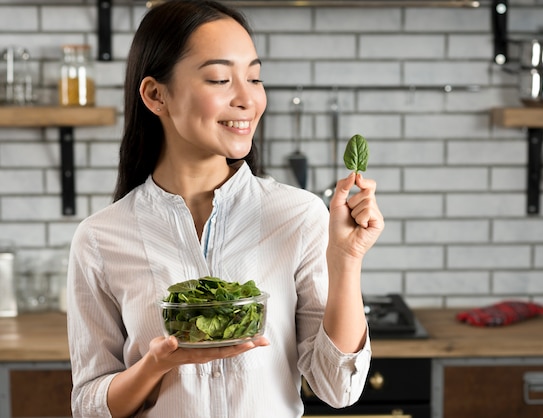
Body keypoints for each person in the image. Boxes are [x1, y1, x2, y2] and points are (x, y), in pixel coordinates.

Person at [66, 1, 384, 417]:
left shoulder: (298, 215)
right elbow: (88, 405)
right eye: (219, 79)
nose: (247, 98)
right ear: (155, 94)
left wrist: (346, 261)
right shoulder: (100, 238)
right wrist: (155, 366)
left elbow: (338, 388)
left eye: (254, 77)